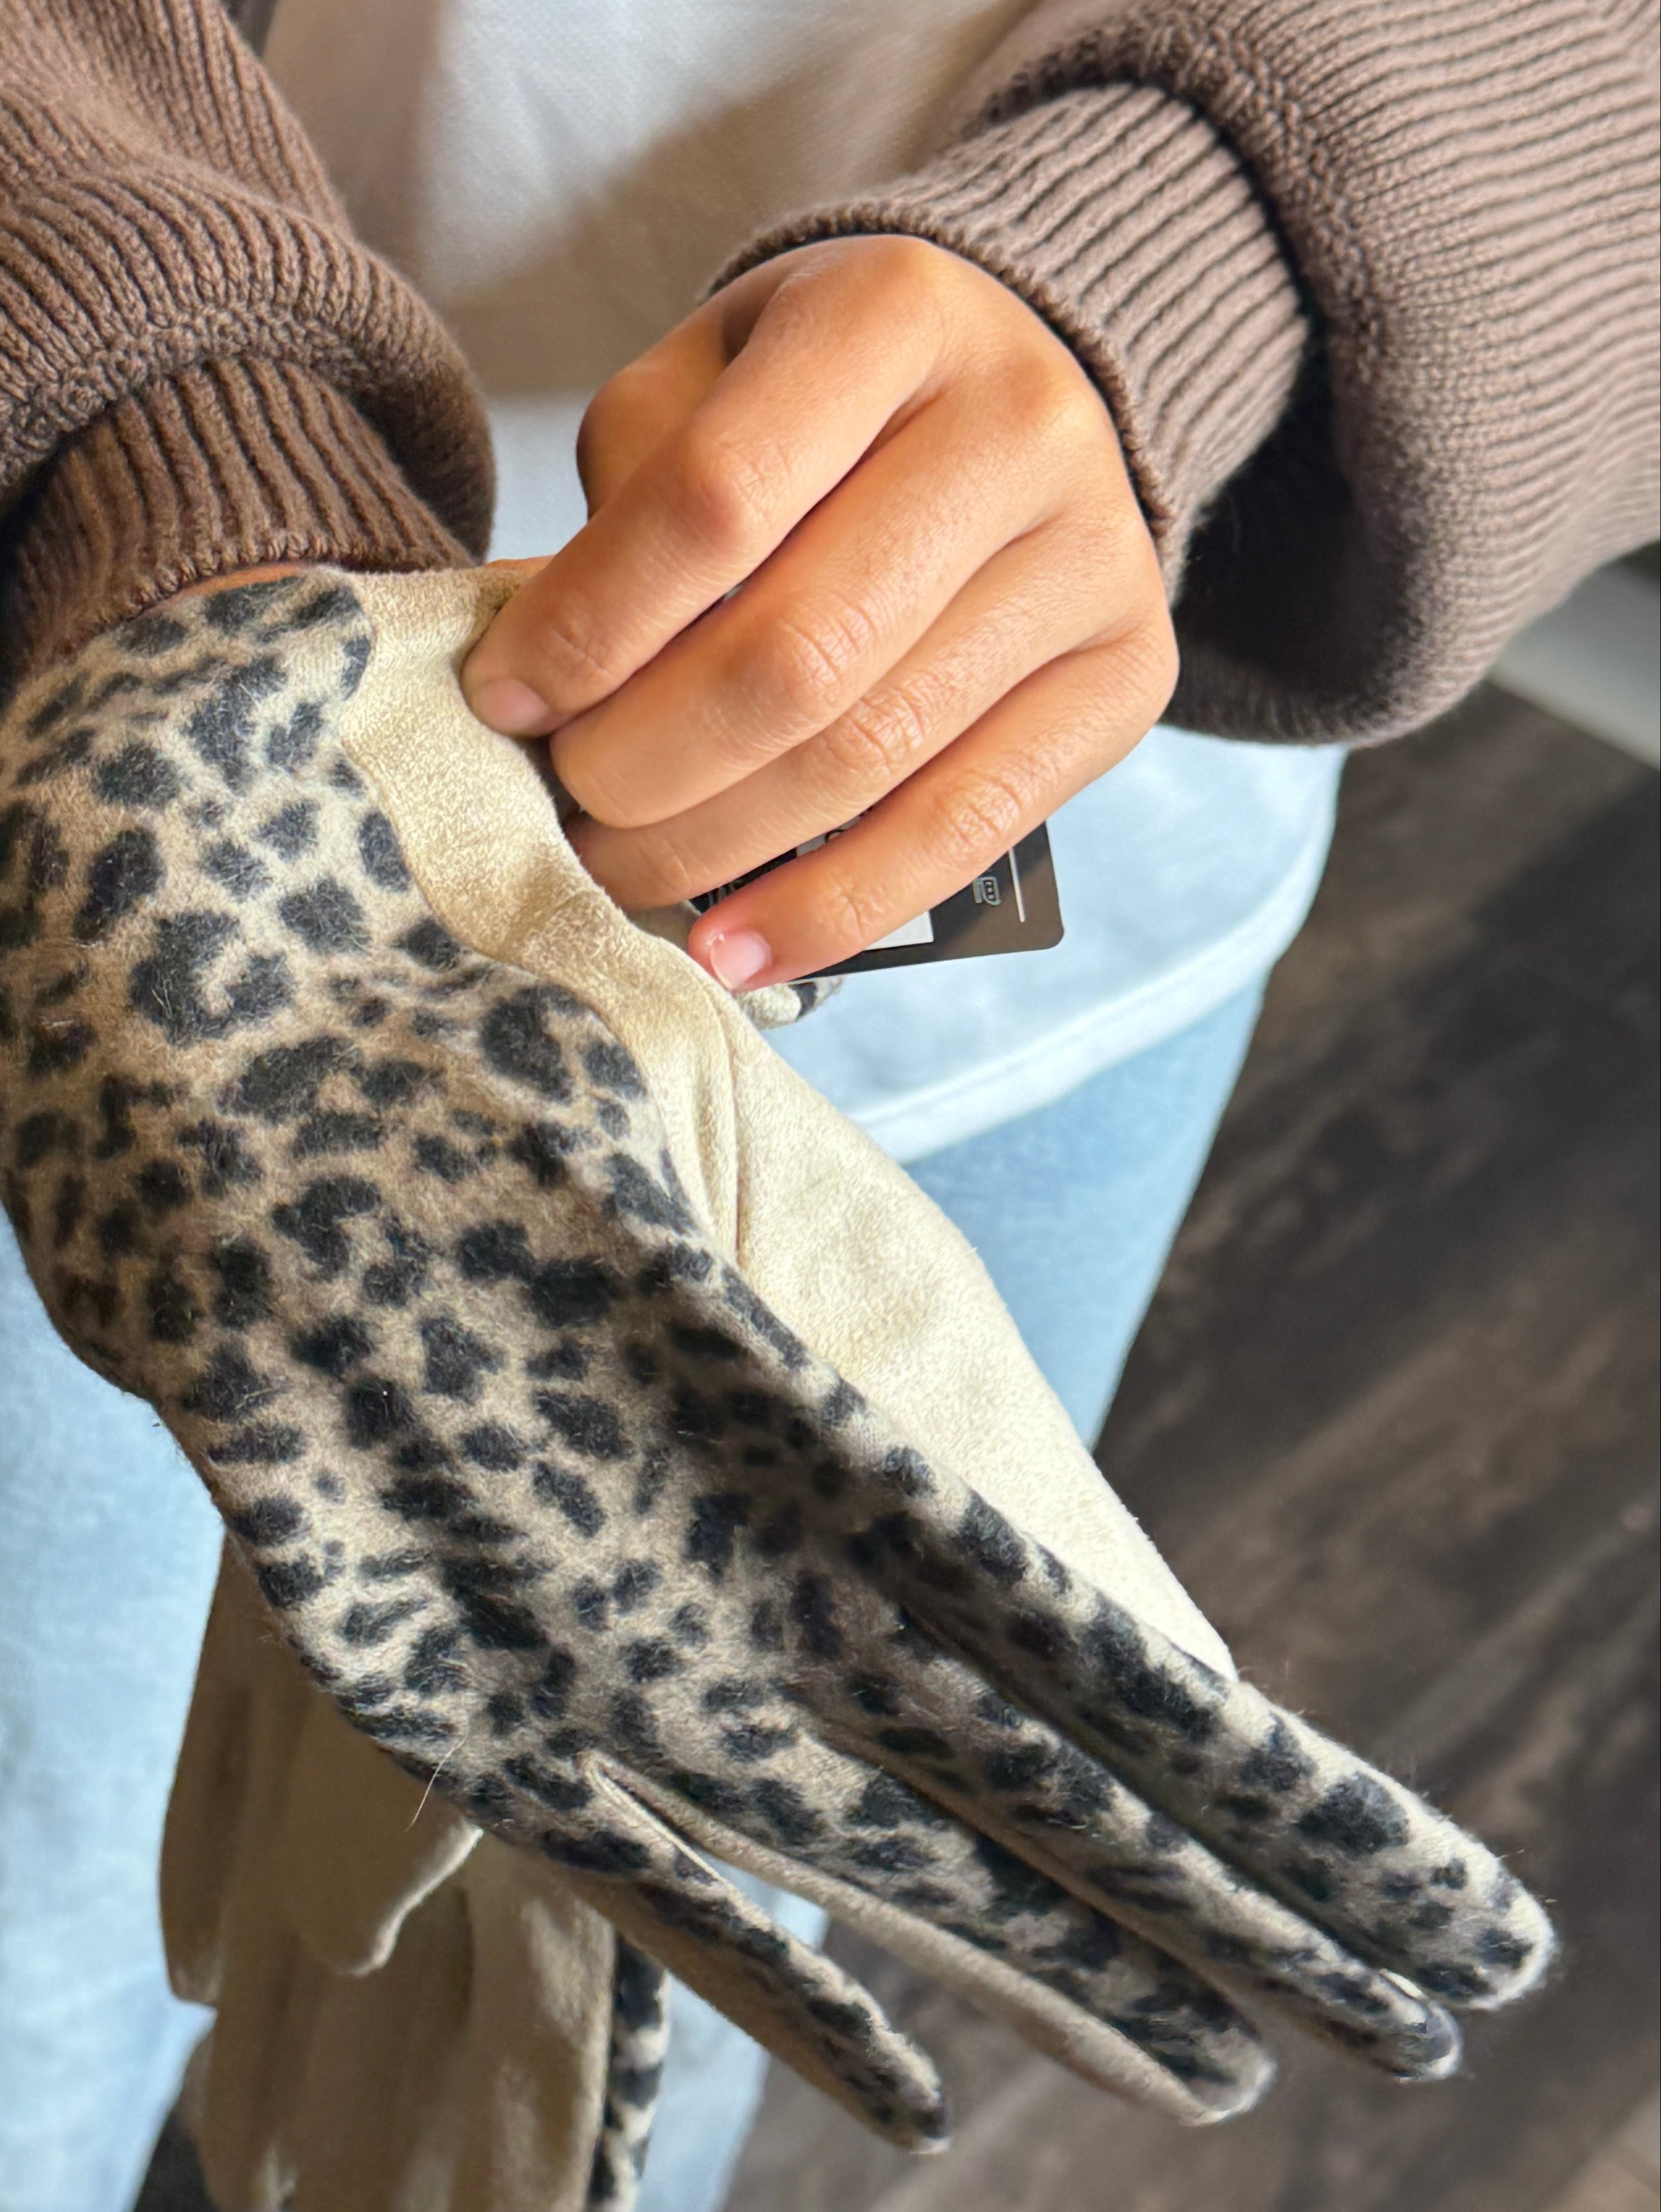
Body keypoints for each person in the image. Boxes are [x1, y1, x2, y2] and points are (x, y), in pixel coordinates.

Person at [0, 3, 1653, 2209]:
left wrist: (1226, 224)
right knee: (33, 1934)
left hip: (1071, 758)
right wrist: (141, 409)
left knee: (698, 1928)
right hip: (122, 769)